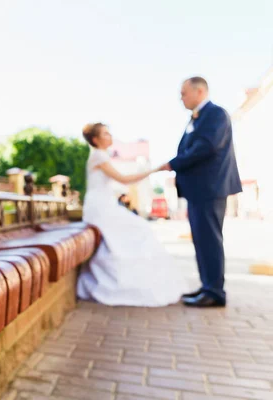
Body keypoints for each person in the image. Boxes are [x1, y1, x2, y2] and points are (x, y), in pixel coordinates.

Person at [77, 123, 188, 307]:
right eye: (105, 133)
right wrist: (155, 170)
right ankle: (121, 284)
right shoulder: (97, 155)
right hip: (100, 208)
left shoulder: (101, 156)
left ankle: (124, 281)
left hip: (105, 205)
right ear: (95, 140)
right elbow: (124, 179)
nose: (110, 136)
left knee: (131, 233)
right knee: (138, 229)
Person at [157, 77, 241, 307]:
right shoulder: (197, 117)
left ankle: (215, 292)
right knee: (201, 241)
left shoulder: (216, 114)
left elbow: (206, 146)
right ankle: (207, 286)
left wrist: (174, 163)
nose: (181, 98)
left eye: (184, 93)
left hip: (210, 188)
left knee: (209, 240)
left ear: (200, 91)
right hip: (198, 190)